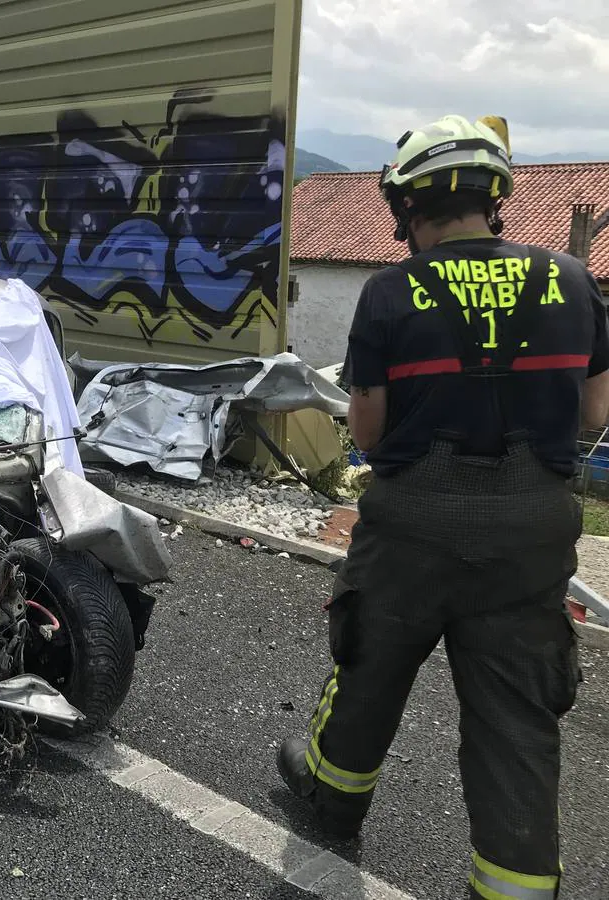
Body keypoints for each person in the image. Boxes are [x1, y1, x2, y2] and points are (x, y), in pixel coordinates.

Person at [276, 114, 609, 899]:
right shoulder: (574, 280)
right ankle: (516, 886)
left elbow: (367, 427)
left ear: (405, 207)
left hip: (412, 529)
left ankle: (332, 798)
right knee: (517, 717)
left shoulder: (391, 293)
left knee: (369, 668)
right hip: (531, 535)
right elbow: (594, 415)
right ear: (495, 197)